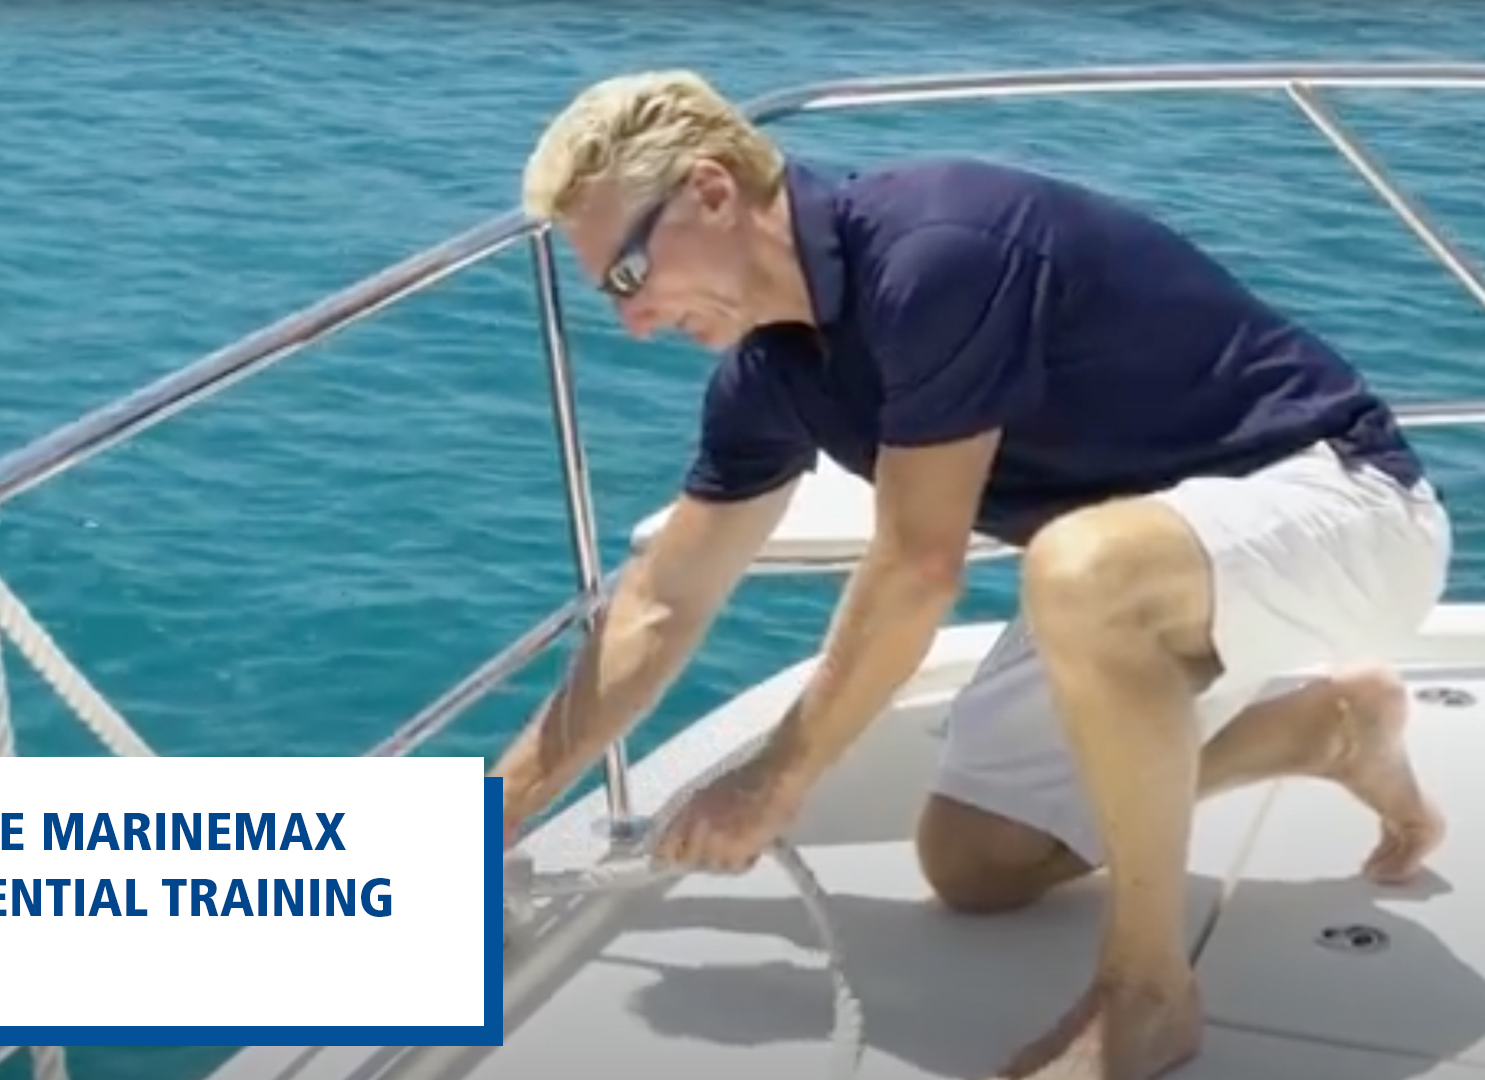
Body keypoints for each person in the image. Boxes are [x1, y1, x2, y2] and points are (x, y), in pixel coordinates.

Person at [487, 69, 1453, 1080]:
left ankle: (1147, 996)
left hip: (1345, 509)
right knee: (977, 863)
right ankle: (1325, 729)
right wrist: (489, 819)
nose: (633, 324)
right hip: (1150, 567)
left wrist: (779, 776)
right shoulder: (770, 376)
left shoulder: (935, 252)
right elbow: (661, 600)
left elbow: (917, 565)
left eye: (628, 278)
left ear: (711, 192)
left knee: (1077, 569)